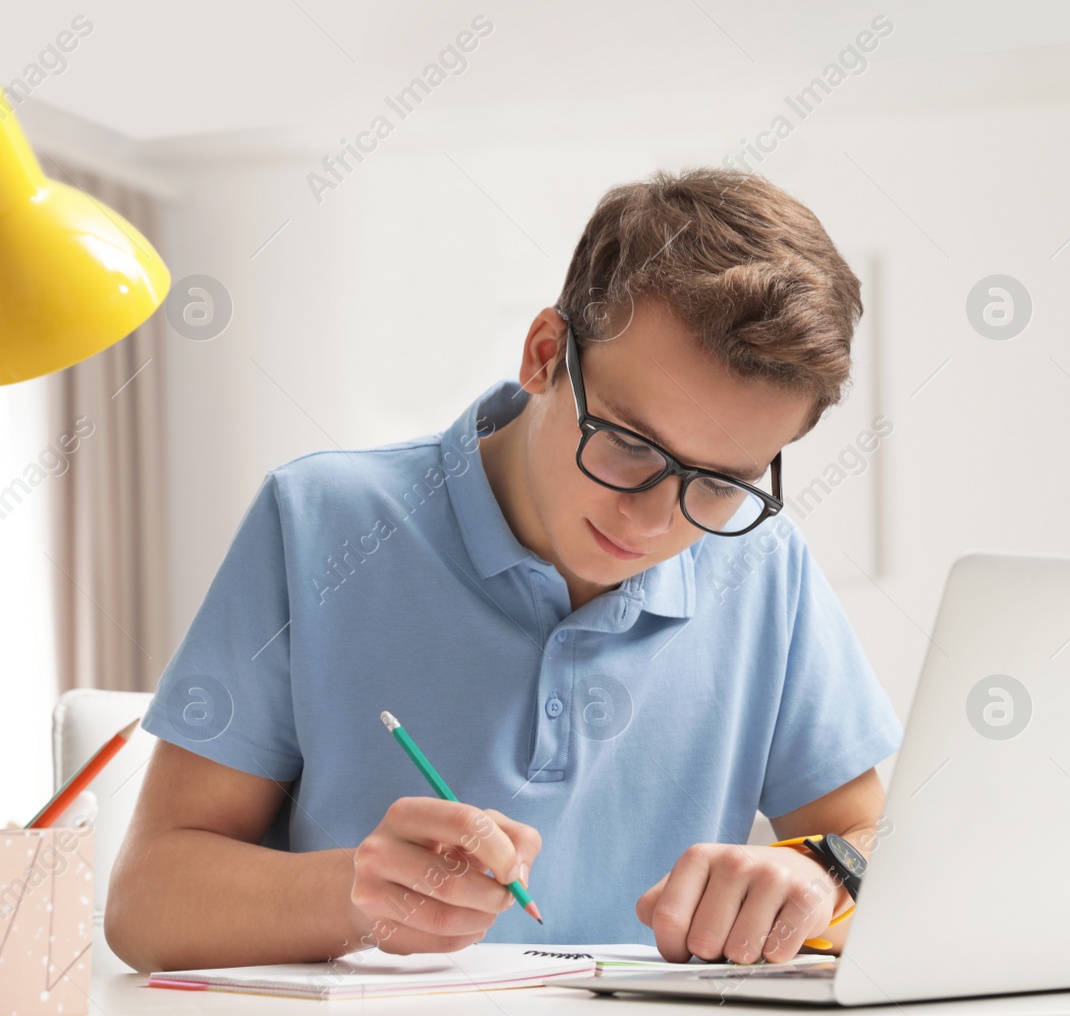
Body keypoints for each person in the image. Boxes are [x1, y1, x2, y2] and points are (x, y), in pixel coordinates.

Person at [105, 168, 902, 973]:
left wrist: (817, 874)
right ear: (545, 354)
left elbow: (878, 842)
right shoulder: (317, 520)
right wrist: (354, 894)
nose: (657, 520)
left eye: (722, 483)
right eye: (630, 445)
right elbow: (146, 905)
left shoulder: (761, 559)